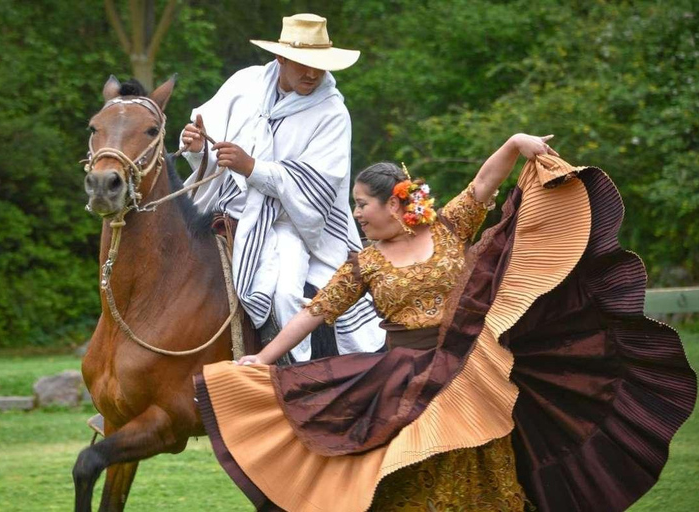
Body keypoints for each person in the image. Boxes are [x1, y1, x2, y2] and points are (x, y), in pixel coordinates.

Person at [193, 134, 697, 511]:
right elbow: (314, 311)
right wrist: (263, 358)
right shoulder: (364, 262)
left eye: (362, 204)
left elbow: (484, 183)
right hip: (400, 379)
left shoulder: (449, 226)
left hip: (469, 371)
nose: (357, 215)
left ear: (395, 201)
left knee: (479, 474)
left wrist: (515, 144)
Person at [179, 13, 384, 361]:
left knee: (285, 293)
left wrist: (252, 167)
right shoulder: (245, 84)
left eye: (319, 66)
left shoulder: (332, 112)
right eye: (303, 64)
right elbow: (209, 145)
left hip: (292, 225)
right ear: (281, 58)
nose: (312, 74)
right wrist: (196, 146)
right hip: (227, 207)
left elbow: (318, 188)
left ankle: (293, 376)